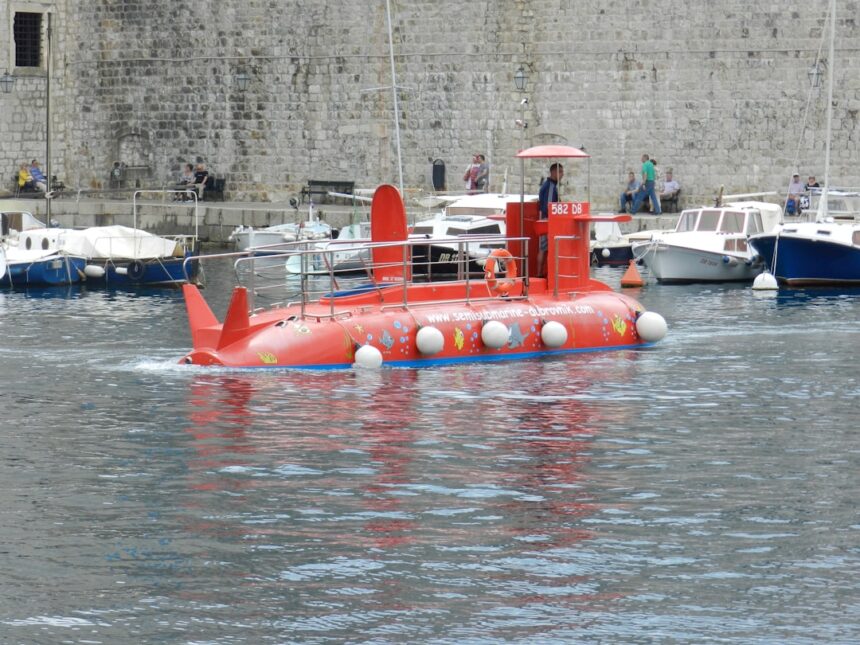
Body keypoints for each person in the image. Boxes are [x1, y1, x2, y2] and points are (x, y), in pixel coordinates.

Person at [536, 162, 563, 278]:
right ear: (553, 172)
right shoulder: (551, 187)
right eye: (560, 172)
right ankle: (541, 274)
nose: (562, 174)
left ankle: (540, 273)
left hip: (545, 220)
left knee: (543, 248)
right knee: (546, 248)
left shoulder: (547, 185)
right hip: (548, 221)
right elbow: (549, 206)